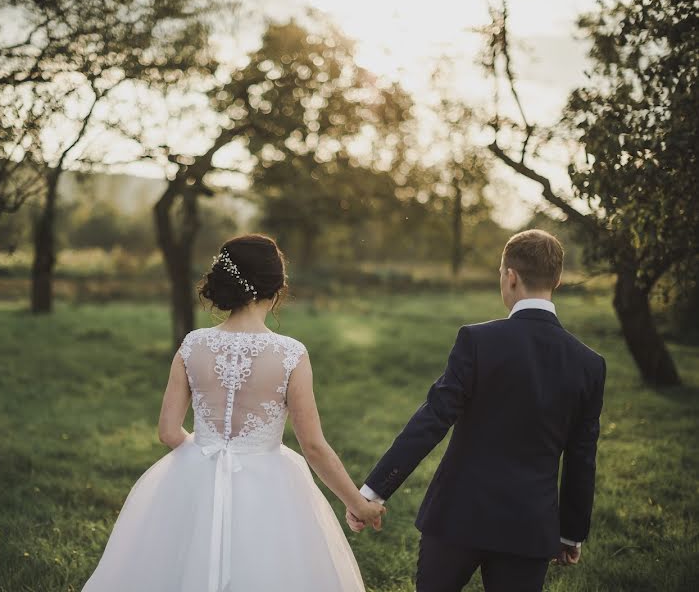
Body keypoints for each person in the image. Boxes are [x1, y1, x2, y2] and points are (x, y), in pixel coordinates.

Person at [82, 233, 384, 592]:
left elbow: (167, 431)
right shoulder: (290, 354)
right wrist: (358, 504)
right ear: (277, 287)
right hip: (270, 480)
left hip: (195, 470)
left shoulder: (193, 344)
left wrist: (200, 451)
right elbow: (314, 447)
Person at [348, 229, 606, 592]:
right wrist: (571, 533)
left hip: (457, 515)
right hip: (529, 527)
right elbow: (582, 458)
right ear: (558, 279)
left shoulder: (478, 340)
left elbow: (433, 419)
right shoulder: (589, 365)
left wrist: (372, 492)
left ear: (510, 276)